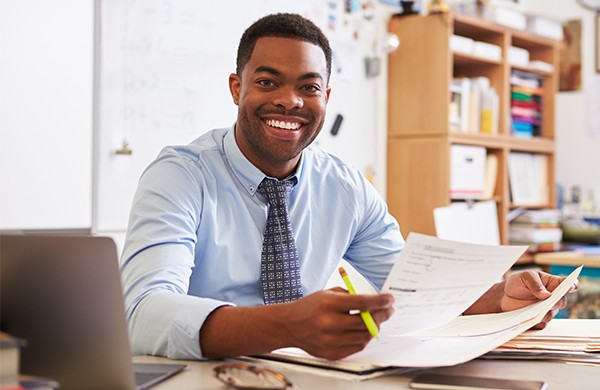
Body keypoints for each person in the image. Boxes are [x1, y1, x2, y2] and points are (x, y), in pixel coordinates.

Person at [120, 13, 574, 361]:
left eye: (309, 87)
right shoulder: (180, 175)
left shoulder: (344, 185)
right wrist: (284, 326)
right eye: (266, 81)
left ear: (326, 99)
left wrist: (500, 296)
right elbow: (142, 313)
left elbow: (410, 289)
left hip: (309, 375)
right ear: (237, 87)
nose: (290, 100)